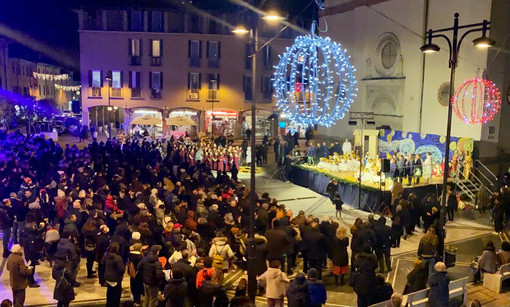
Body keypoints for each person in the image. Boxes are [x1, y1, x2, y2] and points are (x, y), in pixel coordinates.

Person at [104, 242, 125, 307]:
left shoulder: (106, 255)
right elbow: (121, 269)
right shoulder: (118, 258)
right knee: (116, 297)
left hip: (108, 277)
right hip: (116, 278)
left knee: (109, 295)